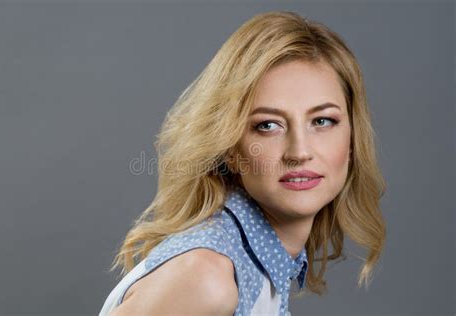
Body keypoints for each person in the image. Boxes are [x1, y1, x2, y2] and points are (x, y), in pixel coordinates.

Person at [99, 10, 386, 316]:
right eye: (267, 125)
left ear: (353, 140)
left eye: (323, 120)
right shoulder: (208, 279)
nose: (299, 152)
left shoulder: (256, 267)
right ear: (231, 149)